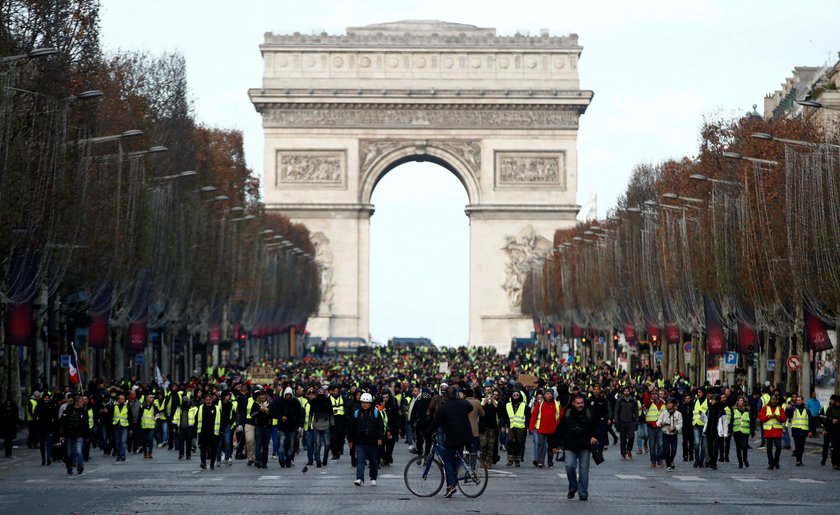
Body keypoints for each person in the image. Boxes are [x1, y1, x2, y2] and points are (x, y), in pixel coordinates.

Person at [425, 386, 473, 498]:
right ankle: (452, 482)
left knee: (448, 461)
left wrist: (427, 434)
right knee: (456, 458)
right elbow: (470, 408)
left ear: (446, 395)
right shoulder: (463, 403)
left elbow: (435, 423)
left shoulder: (444, 408)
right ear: (456, 394)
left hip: (452, 437)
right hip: (464, 436)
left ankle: (451, 485)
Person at [558, 394, 597, 502]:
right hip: (570, 445)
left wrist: (595, 436)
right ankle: (573, 486)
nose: (581, 405)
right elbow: (560, 429)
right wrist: (554, 445)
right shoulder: (567, 414)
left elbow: (597, 426)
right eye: (578, 403)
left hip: (585, 445)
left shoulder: (589, 413)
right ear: (573, 404)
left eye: (582, 403)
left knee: (584, 470)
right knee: (569, 466)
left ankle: (583, 492)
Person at [348, 392, 384, 487]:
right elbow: (352, 427)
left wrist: (380, 438)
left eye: (367, 403)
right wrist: (350, 440)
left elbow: (380, 426)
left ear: (370, 403)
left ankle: (373, 478)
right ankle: (360, 478)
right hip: (360, 442)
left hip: (373, 442)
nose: (365, 404)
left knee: (373, 461)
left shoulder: (376, 413)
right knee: (360, 460)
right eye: (363, 402)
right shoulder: (356, 413)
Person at [529, 389, 562, 469]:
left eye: (550, 394)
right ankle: (540, 461)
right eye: (547, 394)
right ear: (544, 395)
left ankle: (550, 463)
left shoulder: (557, 404)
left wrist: (557, 426)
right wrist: (531, 426)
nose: (549, 395)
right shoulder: (539, 404)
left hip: (552, 429)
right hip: (541, 428)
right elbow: (534, 415)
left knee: (551, 447)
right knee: (540, 445)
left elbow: (560, 416)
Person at [59, 395, 88, 475]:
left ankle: (80, 467)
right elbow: (62, 423)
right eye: (81, 401)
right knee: (69, 453)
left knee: (78, 450)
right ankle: (69, 467)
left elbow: (86, 424)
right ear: (76, 402)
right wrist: (61, 434)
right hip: (69, 434)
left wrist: (87, 435)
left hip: (79, 434)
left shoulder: (83, 410)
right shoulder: (68, 410)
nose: (83, 403)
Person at [758, 395, 786, 470]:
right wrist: (770, 416)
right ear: (770, 400)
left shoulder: (780, 408)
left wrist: (777, 417)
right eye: (772, 400)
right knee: (769, 449)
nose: (773, 401)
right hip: (768, 431)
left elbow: (783, 419)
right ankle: (771, 463)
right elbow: (761, 418)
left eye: (775, 400)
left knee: (778, 446)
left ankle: (776, 461)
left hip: (777, 431)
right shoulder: (765, 408)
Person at [656, 398, 683, 471]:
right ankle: (668, 465)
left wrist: (674, 428)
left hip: (674, 434)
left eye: (670, 403)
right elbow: (658, 422)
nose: (668, 405)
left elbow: (680, 424)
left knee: (674, 450)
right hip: (665, 434)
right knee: (666, 450)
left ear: (674, 405)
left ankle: (671, 461)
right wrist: (661, 423)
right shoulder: (664, 413)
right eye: (667, 403)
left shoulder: (678, 414)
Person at [787, 394, 813, 467]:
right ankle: (798, 460)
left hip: (804, 430)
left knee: (801, 446)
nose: (798, 401)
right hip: (795, 429)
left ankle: (800, 459)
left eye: (799, 400)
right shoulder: (793, 409)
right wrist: (788, 409)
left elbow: (810, 421)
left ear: (802, 401)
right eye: (797, 400)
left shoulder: (807, 410)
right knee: (797, 445)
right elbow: (788, 415)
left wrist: (810, 431)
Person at [197, 393, 220, 470]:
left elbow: (221, 420)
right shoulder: (201, 408)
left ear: (212, 400)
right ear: (204, 400)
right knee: (203, 448)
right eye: (207, 400)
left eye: (210, 400)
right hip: (203, 432)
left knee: (213, 449)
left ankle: (212, 463)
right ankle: (203, 462)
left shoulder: (216, 408)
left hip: (214, 432)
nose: (208, 401)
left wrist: (221, 431)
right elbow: (197, 419)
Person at [614, 386, 637, 460]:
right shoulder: (619, 400)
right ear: (623, 392)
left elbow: (636, 413)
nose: (626, 392)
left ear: (629, 392)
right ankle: (623, 453)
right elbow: (616, 412)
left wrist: (636, 422)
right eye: (625, 391)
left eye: (627, 391)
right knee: (623, 439)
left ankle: (629, 449)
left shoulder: (633, 401)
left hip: (630, 422)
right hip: (622, 422)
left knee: (631, 436)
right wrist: (616, 421)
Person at [251, 389, 272, 469]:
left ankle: (264, 462)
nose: (262, 397)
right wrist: (259, 410)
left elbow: (274, 414)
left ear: (266, 396)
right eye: (261, 395)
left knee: (266, 445)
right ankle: (258, 460)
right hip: (258, 426)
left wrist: (268, 411)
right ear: (259, 397)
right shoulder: (256, 404)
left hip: (267, 427)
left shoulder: (269, 404)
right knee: (258, 444)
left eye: (263, 395)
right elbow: (252, 414)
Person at [645, 390, 665, 468]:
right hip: (651, 427)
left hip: (660, 427)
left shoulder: (663, 403)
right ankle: (653, 461)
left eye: (655, 394)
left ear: (658, 395)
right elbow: (646, 401)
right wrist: (648, 391)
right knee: (652, 445)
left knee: (660, 444)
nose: (654, 395)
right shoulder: (649, 403)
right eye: (652, 394)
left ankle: (659, 460)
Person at [732, 396, 751, 468]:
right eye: (739, 401)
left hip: (745, 431)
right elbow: (731, 421)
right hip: (737, 431)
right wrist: (730, 431)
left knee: (745, 446)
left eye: (741, 401)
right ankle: (740, 462)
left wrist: (752, 431)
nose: (740, 402)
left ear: (744, 402)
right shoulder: (734, 410)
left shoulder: (747, 411)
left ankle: (745, 459)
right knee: (738, 447)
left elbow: (751, 421)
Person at [691, 388, 708, 468]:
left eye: (700, 392)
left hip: (704, 425)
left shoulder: (707, 401)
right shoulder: (695, 401)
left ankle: (701, 461)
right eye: (698, 392)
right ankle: (696, 460)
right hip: (696, 424)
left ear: (703, 393)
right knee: (697, 443)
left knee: (703, 445)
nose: (699, 393)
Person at [823, 394, 840, 470]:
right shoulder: (830, 409)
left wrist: (838, 420)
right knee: (834, 447)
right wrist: (825, 429)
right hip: (832, 431)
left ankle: (838, 463)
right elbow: (826, 420)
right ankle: (834, 463)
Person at [139, 394, 158, 459]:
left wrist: (155, 420)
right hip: (144, 426)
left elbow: (157, 415)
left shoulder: (154, 406)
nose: (152, 398)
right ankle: (145, 452)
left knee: (150, 439)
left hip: (151, 426)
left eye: (152, 397)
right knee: (144, 440)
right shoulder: (142, 406)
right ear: (146, 398)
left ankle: (150, 453)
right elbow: (139, 416)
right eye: (150, 397)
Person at [112, 394, 130, 462]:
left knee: (123, 441)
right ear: (118, 400)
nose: (122, 400)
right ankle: (118, 455)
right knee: (117, 442)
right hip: (116, 426)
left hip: (124, 426)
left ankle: (122, 455)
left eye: (123, 399)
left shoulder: (127, 406)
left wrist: (130, 428)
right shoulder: (114, 406)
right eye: (121, 399)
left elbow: (130, 417)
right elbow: (111, 415)